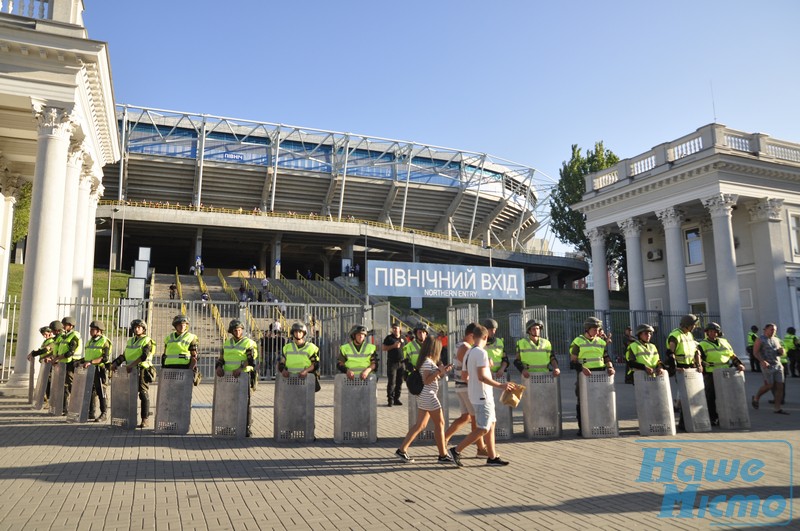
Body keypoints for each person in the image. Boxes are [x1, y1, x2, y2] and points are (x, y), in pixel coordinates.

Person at [448, 324, 515, 467]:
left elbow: (465, 376)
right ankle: (456, 450)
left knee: (491, 424)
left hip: (477, 394)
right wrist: (501, 385)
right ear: (485, 337)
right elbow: (482, 377)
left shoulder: (469, 352)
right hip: (482, 395)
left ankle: (492, 456)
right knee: (483, 428)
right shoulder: (481, 353)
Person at [395, 336, 454, 464]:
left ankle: (402, 450)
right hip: (429, 395)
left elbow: (431, 377)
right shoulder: (427, 362)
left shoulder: (427, 361)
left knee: (420, 425)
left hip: (425, 396)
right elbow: (426, 380)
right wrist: (439, 371)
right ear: (434, 349)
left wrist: (442, 371)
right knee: (440, 424)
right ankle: (443, 454)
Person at [444, 322, 488, 456]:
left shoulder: (462, 345)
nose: (476, 340)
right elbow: (470, 367)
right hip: (465, 387)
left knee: (465, 417)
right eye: (474, 336)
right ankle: (480, 448)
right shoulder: (465, 347)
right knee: (475, 418)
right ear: (470, 335)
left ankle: (444, 438)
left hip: (461, 386)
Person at [570, 316, 614, 435]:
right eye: (594, 329)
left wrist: (610, 366)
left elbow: (605, 356)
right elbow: (573, 361)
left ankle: (601, 424)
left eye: (598, 329)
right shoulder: (578, 341)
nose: (597, 331)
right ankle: (582, 428)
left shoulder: (600, 342)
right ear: (587, 329)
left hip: (600, 374)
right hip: (584, 376)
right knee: (582, 401)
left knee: (600, 400)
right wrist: (582, 368)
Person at [216, 319, 259, 437]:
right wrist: (219, 367)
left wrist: (240, 368)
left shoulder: (249, 343)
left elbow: (251, 360)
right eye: (235, 330)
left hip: (244, 376)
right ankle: (229, 426)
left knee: (245, 403)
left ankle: (246, 428)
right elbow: (221, 358)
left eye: (239, 330)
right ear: (231, 331)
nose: (237, 332)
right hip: (228, 377)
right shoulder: (227, 343)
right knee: (229, 402)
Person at [110, 319, 156, 428]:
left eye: (139, 327)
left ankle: (145, 419)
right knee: (129, 394)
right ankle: (129, 418)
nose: (136, 329)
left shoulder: (147, 340)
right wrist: (115, 363)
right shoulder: (131, 341)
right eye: (135, 327)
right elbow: (125, 355)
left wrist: (131, 365)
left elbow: (144, 356)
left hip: (142, 370)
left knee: (143, 394)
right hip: (130, 371)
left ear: (143, 328)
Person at [697, 322, 745, 426]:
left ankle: (728, 415)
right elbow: (699, 359)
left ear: (718, 332)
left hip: (726, 373)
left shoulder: (724, 342)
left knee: (727, 395)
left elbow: (732, 355)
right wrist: (700, 367)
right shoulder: (702, 344)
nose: (713, 333)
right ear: (707, 333)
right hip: (711, 373)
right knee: (711, 396)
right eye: (710, 331)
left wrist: (739, 364)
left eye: (715, 331)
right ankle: (713, 417)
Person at [752, 323, 788, 415]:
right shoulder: (760, 339)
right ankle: (756, 398)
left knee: (780, 387)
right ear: (765, 329)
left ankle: (777, 408)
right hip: (767, 366)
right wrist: (762, 361)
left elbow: (779, 351)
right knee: (769, 385)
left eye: (775, 330)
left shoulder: (776, 339)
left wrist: (782, 352)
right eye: (771, 329)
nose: (773, 331)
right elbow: (755, 352)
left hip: (778, 365)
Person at [51, 316, 82, 415]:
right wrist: (55, 358)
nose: (63, 326)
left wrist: (57, 358)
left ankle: (75, 407)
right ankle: (64, 408)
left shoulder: (74, 336)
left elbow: (70, 352)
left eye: (65, 325)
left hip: (71, 363)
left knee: (71, 386)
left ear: (71, 326)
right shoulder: (63, 335)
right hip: (63, 363)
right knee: (64, 386)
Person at [82, 320, 112, 422]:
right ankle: (91, 412)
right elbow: (87, 356)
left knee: (101, 392)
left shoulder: (104, 341)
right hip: (91, 369)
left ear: (99, 330)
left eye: (92, 329)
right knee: (90, 391)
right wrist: (80, 361)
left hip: (101, 370)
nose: (90, 331)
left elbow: (105, 358)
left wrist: (91, 362)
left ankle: (103, 413)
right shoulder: (90, 341)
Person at [278, 322, 321, 392]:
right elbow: (281, 363)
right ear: (293, 333)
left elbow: (315, 364)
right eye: (296, 332)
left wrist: (306, 371)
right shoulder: (287, 347)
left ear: (304, 333)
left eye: (300, 332)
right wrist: (283, 370)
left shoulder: (311, 347)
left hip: (306, 379)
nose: (298, 334)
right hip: (290, 380)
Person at [27, 324, 57, 406]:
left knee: (49, 382)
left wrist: (34, 353)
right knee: (45, 381)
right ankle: (45, 398)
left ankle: (50, 400)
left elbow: (45, 350)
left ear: (50, 332)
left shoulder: (53, 340)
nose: (44, 335)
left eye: (45, 333)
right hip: (45, 363)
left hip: (49, 364)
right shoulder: (46, 341)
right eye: (43, 334)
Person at [163, 314, 199, 381]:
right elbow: (164, 354)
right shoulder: (168, 338)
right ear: (175, 326)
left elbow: (194, 356)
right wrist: (163, 367)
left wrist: (191, 369)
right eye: (180, 325)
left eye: (184, 325)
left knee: (182, 389)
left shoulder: (191, 337)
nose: (182, 327)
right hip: (169, 366)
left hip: (184, 367)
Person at [383, 324, 406, 407]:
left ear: (400, 329)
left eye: (396, 328)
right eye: (393, 328)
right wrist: (393, 346)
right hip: (392, 363)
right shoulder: (389, 338)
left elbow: (406, 348)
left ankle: (397, 399)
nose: (395, 330)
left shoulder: (403, 338)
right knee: (392, 382)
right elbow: (384, 348)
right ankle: (390, 400)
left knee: (400, 382)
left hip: (402, 363)